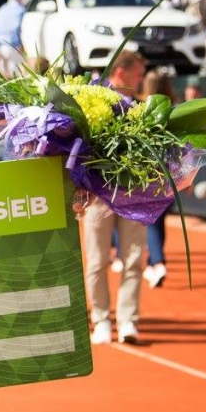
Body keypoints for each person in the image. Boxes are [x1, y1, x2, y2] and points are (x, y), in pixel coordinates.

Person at [83, 50, 148, 345]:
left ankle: (127, 321)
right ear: (121, 73)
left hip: (134, 195)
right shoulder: (92, 100)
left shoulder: (141, 108)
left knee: (134, 259)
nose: (141, 79)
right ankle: (100, 320)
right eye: (138, 74)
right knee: (97, 261)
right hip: (98, 197)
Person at [139, 70, 177, 289]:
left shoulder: (142, 111)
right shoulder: (174, 111)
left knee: (151, 222)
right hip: (171, 177)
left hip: (148, 177)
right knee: (159, 222)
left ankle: (158, 262)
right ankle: (153, 262)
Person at [0, 0, 26, 77]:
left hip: (0, 45)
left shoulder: (2, 9)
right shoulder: (20, 10)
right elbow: (17, 28)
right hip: (13, 45)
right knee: (16, 75)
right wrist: (20, 45)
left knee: (4, 75)